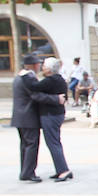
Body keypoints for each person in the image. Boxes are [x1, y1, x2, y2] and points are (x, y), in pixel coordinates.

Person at [12, 53, 61, 183]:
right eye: (39, 64)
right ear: (34, 65)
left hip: (20, 116)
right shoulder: (29, 78)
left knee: (25, 145)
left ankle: (25, 171)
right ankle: (28, 173)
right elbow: (36, 95)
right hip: (28, 115)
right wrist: (57, 99)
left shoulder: (19, 76)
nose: (40, 66)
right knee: (31, 145)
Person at [35, 59, 72, 181]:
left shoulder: (50, 80)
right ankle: (61, 169)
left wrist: (25, 75)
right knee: (55, 142)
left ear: (49, 69)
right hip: (57, 114)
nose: (42, 68)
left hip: (50, 115)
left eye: (44, 66)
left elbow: (33, 87)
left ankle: (63, 170)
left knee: (53, 143)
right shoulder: (59, 79)